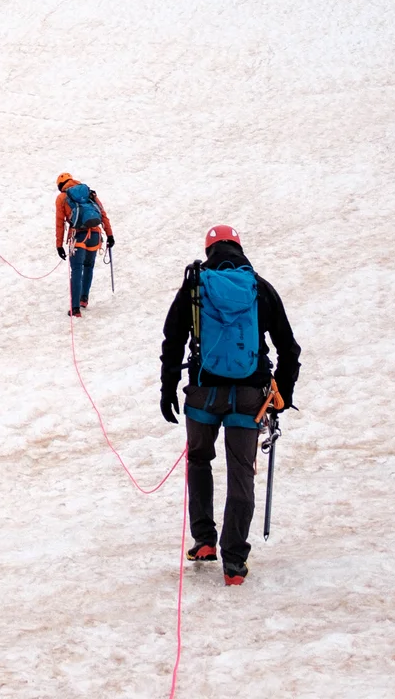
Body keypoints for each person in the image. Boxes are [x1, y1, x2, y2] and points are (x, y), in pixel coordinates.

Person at [159, 224, 301, 587]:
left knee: (199, 460)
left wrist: (168, 389)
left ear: (209, 250)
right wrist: (282, 395)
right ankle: (234, 561)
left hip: (203, 393)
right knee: (241, 472)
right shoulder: (259, 288)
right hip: (250, 395)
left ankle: (204, 541)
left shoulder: (195, 287)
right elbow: (289, 348)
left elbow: (173, 340)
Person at [54, 173, 113, 316]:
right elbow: (102, 214)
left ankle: (75, 309)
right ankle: (84, 299)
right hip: (95, 235)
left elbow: (60, 223)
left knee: (76, 269)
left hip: (78, 237)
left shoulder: (62, 197)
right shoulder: (89, 193)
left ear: (60, 186)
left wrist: (59, 245)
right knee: (88, 266)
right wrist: (110, 235)